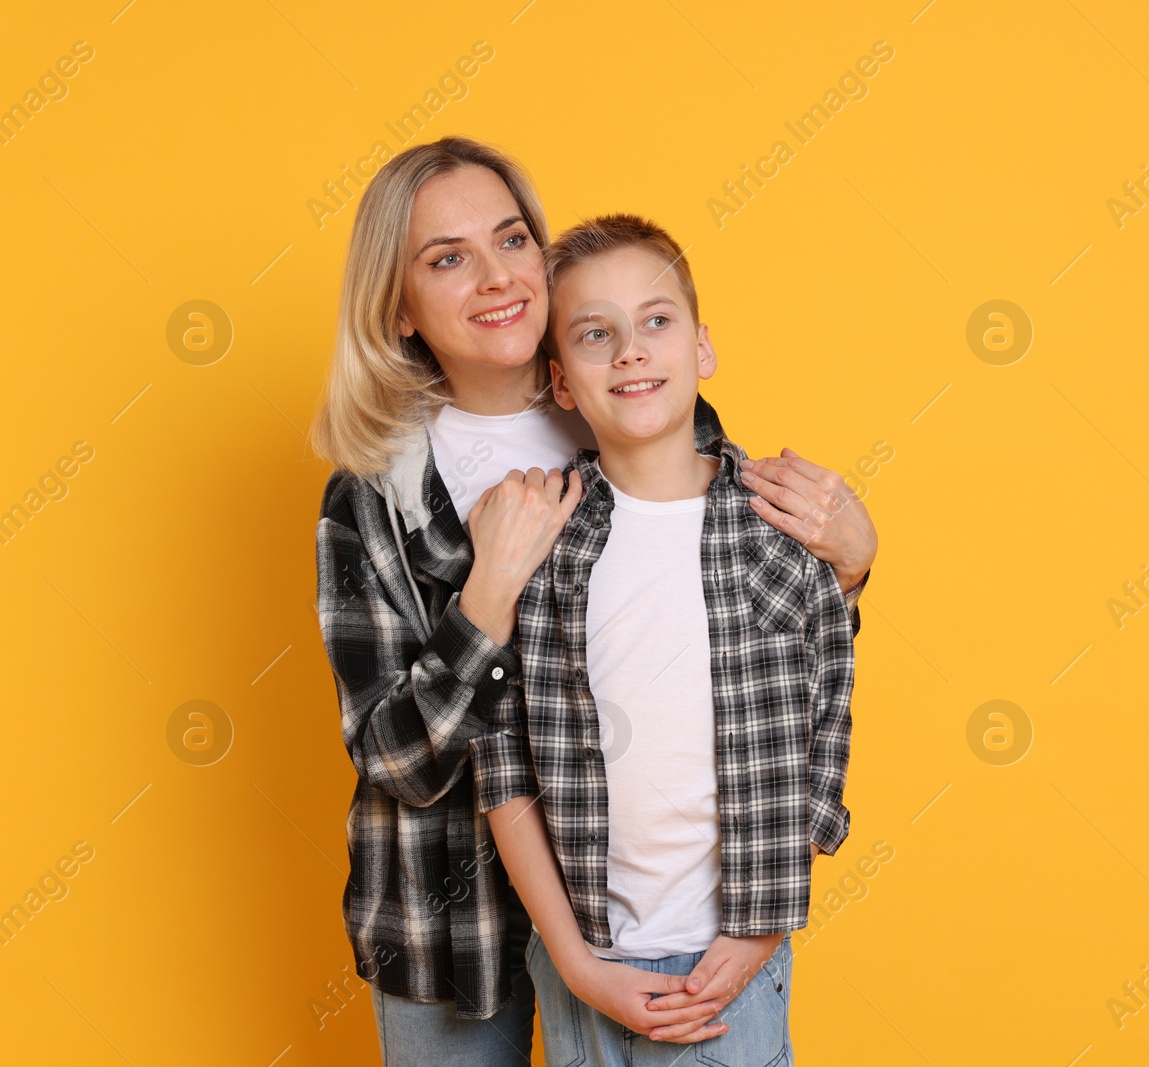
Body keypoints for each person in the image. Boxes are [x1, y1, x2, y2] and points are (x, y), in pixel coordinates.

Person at [310, 138, 878, 1064]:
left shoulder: (637, 399)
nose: (495, 277)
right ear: (399, 310)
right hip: (449, 922)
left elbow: (754, 651)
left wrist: (851, 571)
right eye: (447, 259)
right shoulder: (375, 492)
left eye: (511, 239)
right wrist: (488, 592)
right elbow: (398, 761)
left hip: (654, 917)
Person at [480, 214, 855, 1064]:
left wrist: (765, 921)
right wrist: (576, 961)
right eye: (594, 334)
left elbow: (824, 715)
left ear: (703, 348)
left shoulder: (777, 530)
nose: (631, 352)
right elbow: (499, 752)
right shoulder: (541, 538)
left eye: (657, 321)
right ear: (562, 382)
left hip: (735, 960)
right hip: (588, 964)